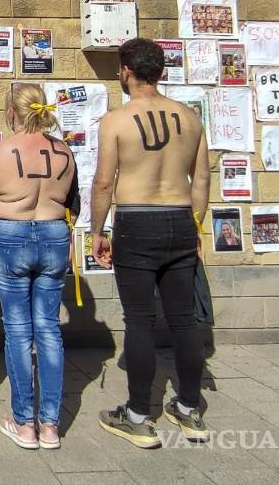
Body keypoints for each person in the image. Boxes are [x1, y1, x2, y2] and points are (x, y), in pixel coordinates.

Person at [90, 38, 211, 449]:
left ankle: (140, 415)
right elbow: (203, 180)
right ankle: (191, 410)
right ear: (160, 72)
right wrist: (195, 225)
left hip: (137, 220)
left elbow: (104, 182)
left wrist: (96, 231)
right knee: (183, 319)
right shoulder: (191, 118)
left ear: (126, 70)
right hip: (179, 217)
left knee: (140, 320)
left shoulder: (116, 120)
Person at [0, 90, 77, 448]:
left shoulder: (0, 149)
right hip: (53, 235)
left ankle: (23, 422)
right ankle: (49, 426)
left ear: (11, 112)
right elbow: (72, 204)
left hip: (10, 234)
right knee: (48, 329)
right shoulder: (65, 152)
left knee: (17, 330)